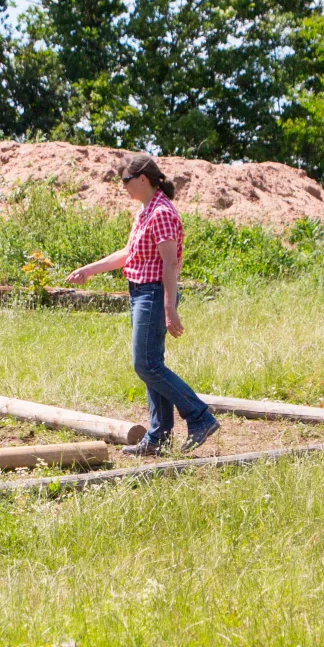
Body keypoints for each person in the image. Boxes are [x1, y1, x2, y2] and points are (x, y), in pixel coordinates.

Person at [66, 154, 221, 455]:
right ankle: (158, 436)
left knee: (146, 364)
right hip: (141, 293)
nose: (123, 186)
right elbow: (129, 253)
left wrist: (169, 308)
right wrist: (89, 269)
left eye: (126, 180)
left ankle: (199, 417)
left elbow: (170, 263)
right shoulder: (145, 212)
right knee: (152, 364)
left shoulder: (161, 213)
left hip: (152, 294)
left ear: (142, 178)